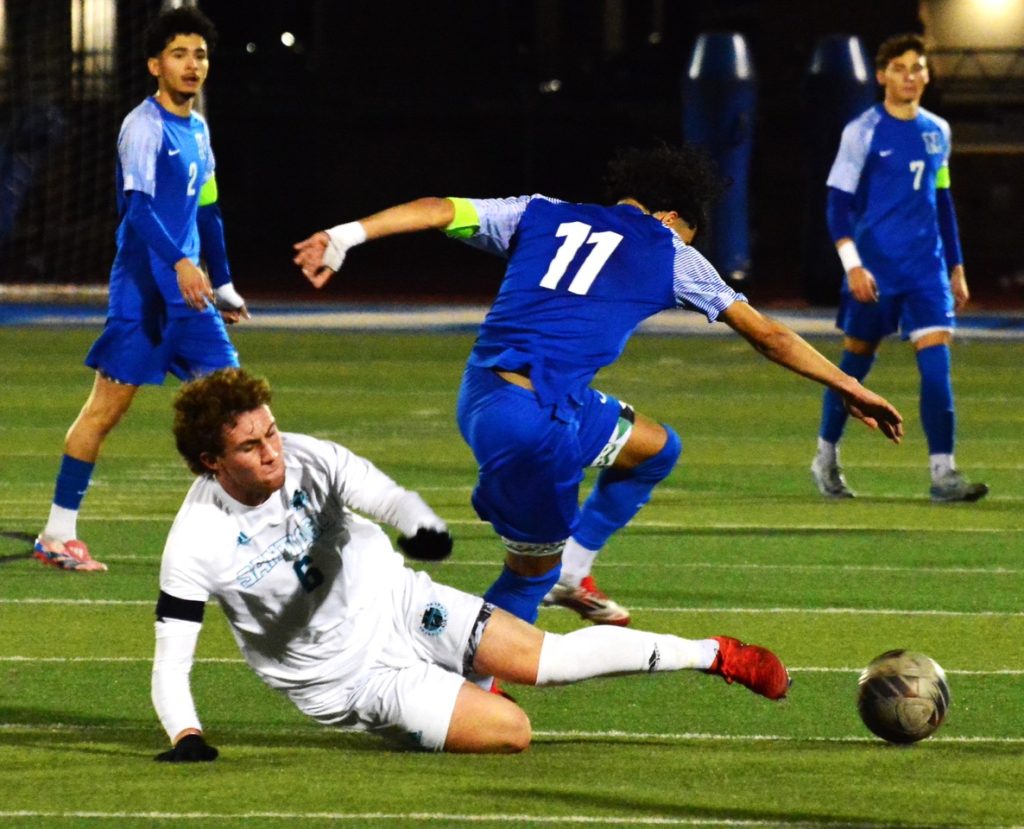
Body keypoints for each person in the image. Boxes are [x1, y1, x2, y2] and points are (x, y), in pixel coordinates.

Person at [293, 143, 903, 629]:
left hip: (490, 393)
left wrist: (344, 236)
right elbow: (767, 335)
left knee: (655, 448)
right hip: (534, 426)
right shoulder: (669, 249)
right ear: (671, 217)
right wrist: (849, 384)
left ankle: (573, 573)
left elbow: (437, 207)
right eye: (687, 234)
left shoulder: (539, 209)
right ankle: (472, 689)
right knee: (526, 574)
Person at [151, 367, 790, 759]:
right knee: (512, 731)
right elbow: (171, 660)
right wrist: (187, 735)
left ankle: (715, 654)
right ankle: (452, 694)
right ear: (211, 461)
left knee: (552, 661)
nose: (273, 451)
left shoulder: (304, 455)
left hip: (401, 603)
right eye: (250, 445)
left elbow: (381, 494)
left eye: (271, 431)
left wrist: (418, 524)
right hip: (352, 680)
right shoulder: (195, 540)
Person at [34, 7, 249, 572]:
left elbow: (208, 212)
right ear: (156, 64)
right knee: (105, 412)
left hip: (191, 299)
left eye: (199, 54)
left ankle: (236, 535)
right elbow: (139, 208)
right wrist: (180, 263)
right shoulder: (143, 126)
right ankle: (58, 534)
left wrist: (221, 283)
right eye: (179, 54)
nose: (192, 64)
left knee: (241, 410)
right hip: (143, 298)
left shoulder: (199, 129)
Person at [811, 33, 987, 503]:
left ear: (928, 75)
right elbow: (838, 205)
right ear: (882, 75)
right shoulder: (863, 131)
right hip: (875, 270)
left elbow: (942, 199)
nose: (911, 76)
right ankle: (825, 455)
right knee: (853, 370)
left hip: (926, 272)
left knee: (936, 370)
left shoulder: (938, 131)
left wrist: (956, 265)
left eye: (918, 68)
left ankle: (943, 473)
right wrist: (852, 264)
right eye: (901, 68)